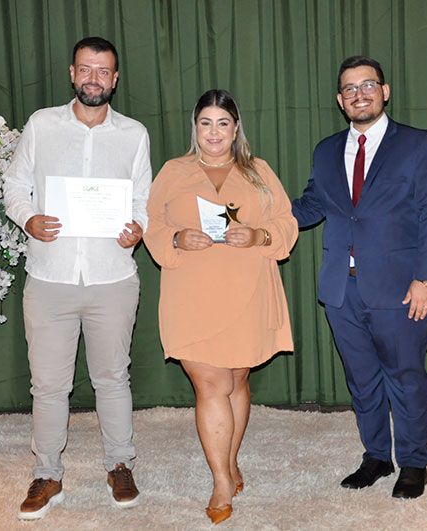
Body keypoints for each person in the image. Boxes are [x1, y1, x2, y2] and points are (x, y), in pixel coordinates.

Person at [2, 36, 151, 520]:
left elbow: (143, 199)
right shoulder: (42, 125)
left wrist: (138, 227)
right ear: (72, 73)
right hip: (50, 276)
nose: (94, 78)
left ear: (115, 78)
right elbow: (14, 184)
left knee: (113, 378)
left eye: (103, 71)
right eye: (86, 69)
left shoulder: (134, 134)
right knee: (47, 385)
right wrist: (28, 218)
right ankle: (47, 474)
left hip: (113, 277)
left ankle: (120, 465)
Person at [292, 56, 427, 499]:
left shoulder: (417, 144)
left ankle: (413, 462)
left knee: (406, 377)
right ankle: (377, 456)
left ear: (385, 91)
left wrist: (426, 279)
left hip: (401, 288)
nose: (359, 94)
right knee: (361, 380)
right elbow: (311, 205)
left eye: (367, 85)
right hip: (342, 289)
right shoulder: (326, 151)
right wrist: (260, 212)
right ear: (339, 100)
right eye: (349, 88)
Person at [143, 89, 297, 524]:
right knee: (210, 385)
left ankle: (230, 460)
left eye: (222, 123)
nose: (214, 132)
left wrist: (258, 235)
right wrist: (176, 237)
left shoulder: (259, 171)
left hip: (247, 291)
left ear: (235, 128)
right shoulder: (173, 171)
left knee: (234, 381)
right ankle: (221, 480)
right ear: (195, 127)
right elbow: (151, 222)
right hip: (191, 294)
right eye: (206, 123)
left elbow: (286, 221)